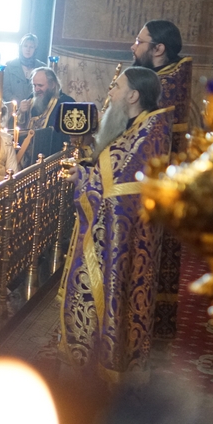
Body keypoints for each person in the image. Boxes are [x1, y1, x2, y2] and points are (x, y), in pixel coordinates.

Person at [59, 66, 173, 384]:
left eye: (117, 87)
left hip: (123, 237)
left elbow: (119, 189)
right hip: (116, 232)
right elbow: (112, 174)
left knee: (114, 299)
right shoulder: (137, 126)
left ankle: (99, 377)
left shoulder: (149, 131)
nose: (110, 93)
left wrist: (85, 180)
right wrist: (86, 171)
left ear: (133, 96)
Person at [131, 19, 193, 340]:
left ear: (158, 49)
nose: (133, 46)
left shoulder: (163, 85)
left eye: (139, 41)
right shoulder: (159, 77)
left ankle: (139, 322)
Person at [16, 68, 75, 167]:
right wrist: (21, 112)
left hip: (52, 161)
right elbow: (18, 130)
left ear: (52, 84)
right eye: (34, 85)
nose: (36, 89)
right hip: (27, 161)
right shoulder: (31, 99)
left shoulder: (66, 104)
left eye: (40, 85)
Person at [2, 34, 45, 104]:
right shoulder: (10, 65)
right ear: (21, 48)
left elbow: (45, 90)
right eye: (25, 46)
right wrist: (18, 104)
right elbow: (5, 90)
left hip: (36, 107)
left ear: (35, 49)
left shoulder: (42, 67)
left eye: (31, 47)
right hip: (14, 107)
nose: (28, 49)